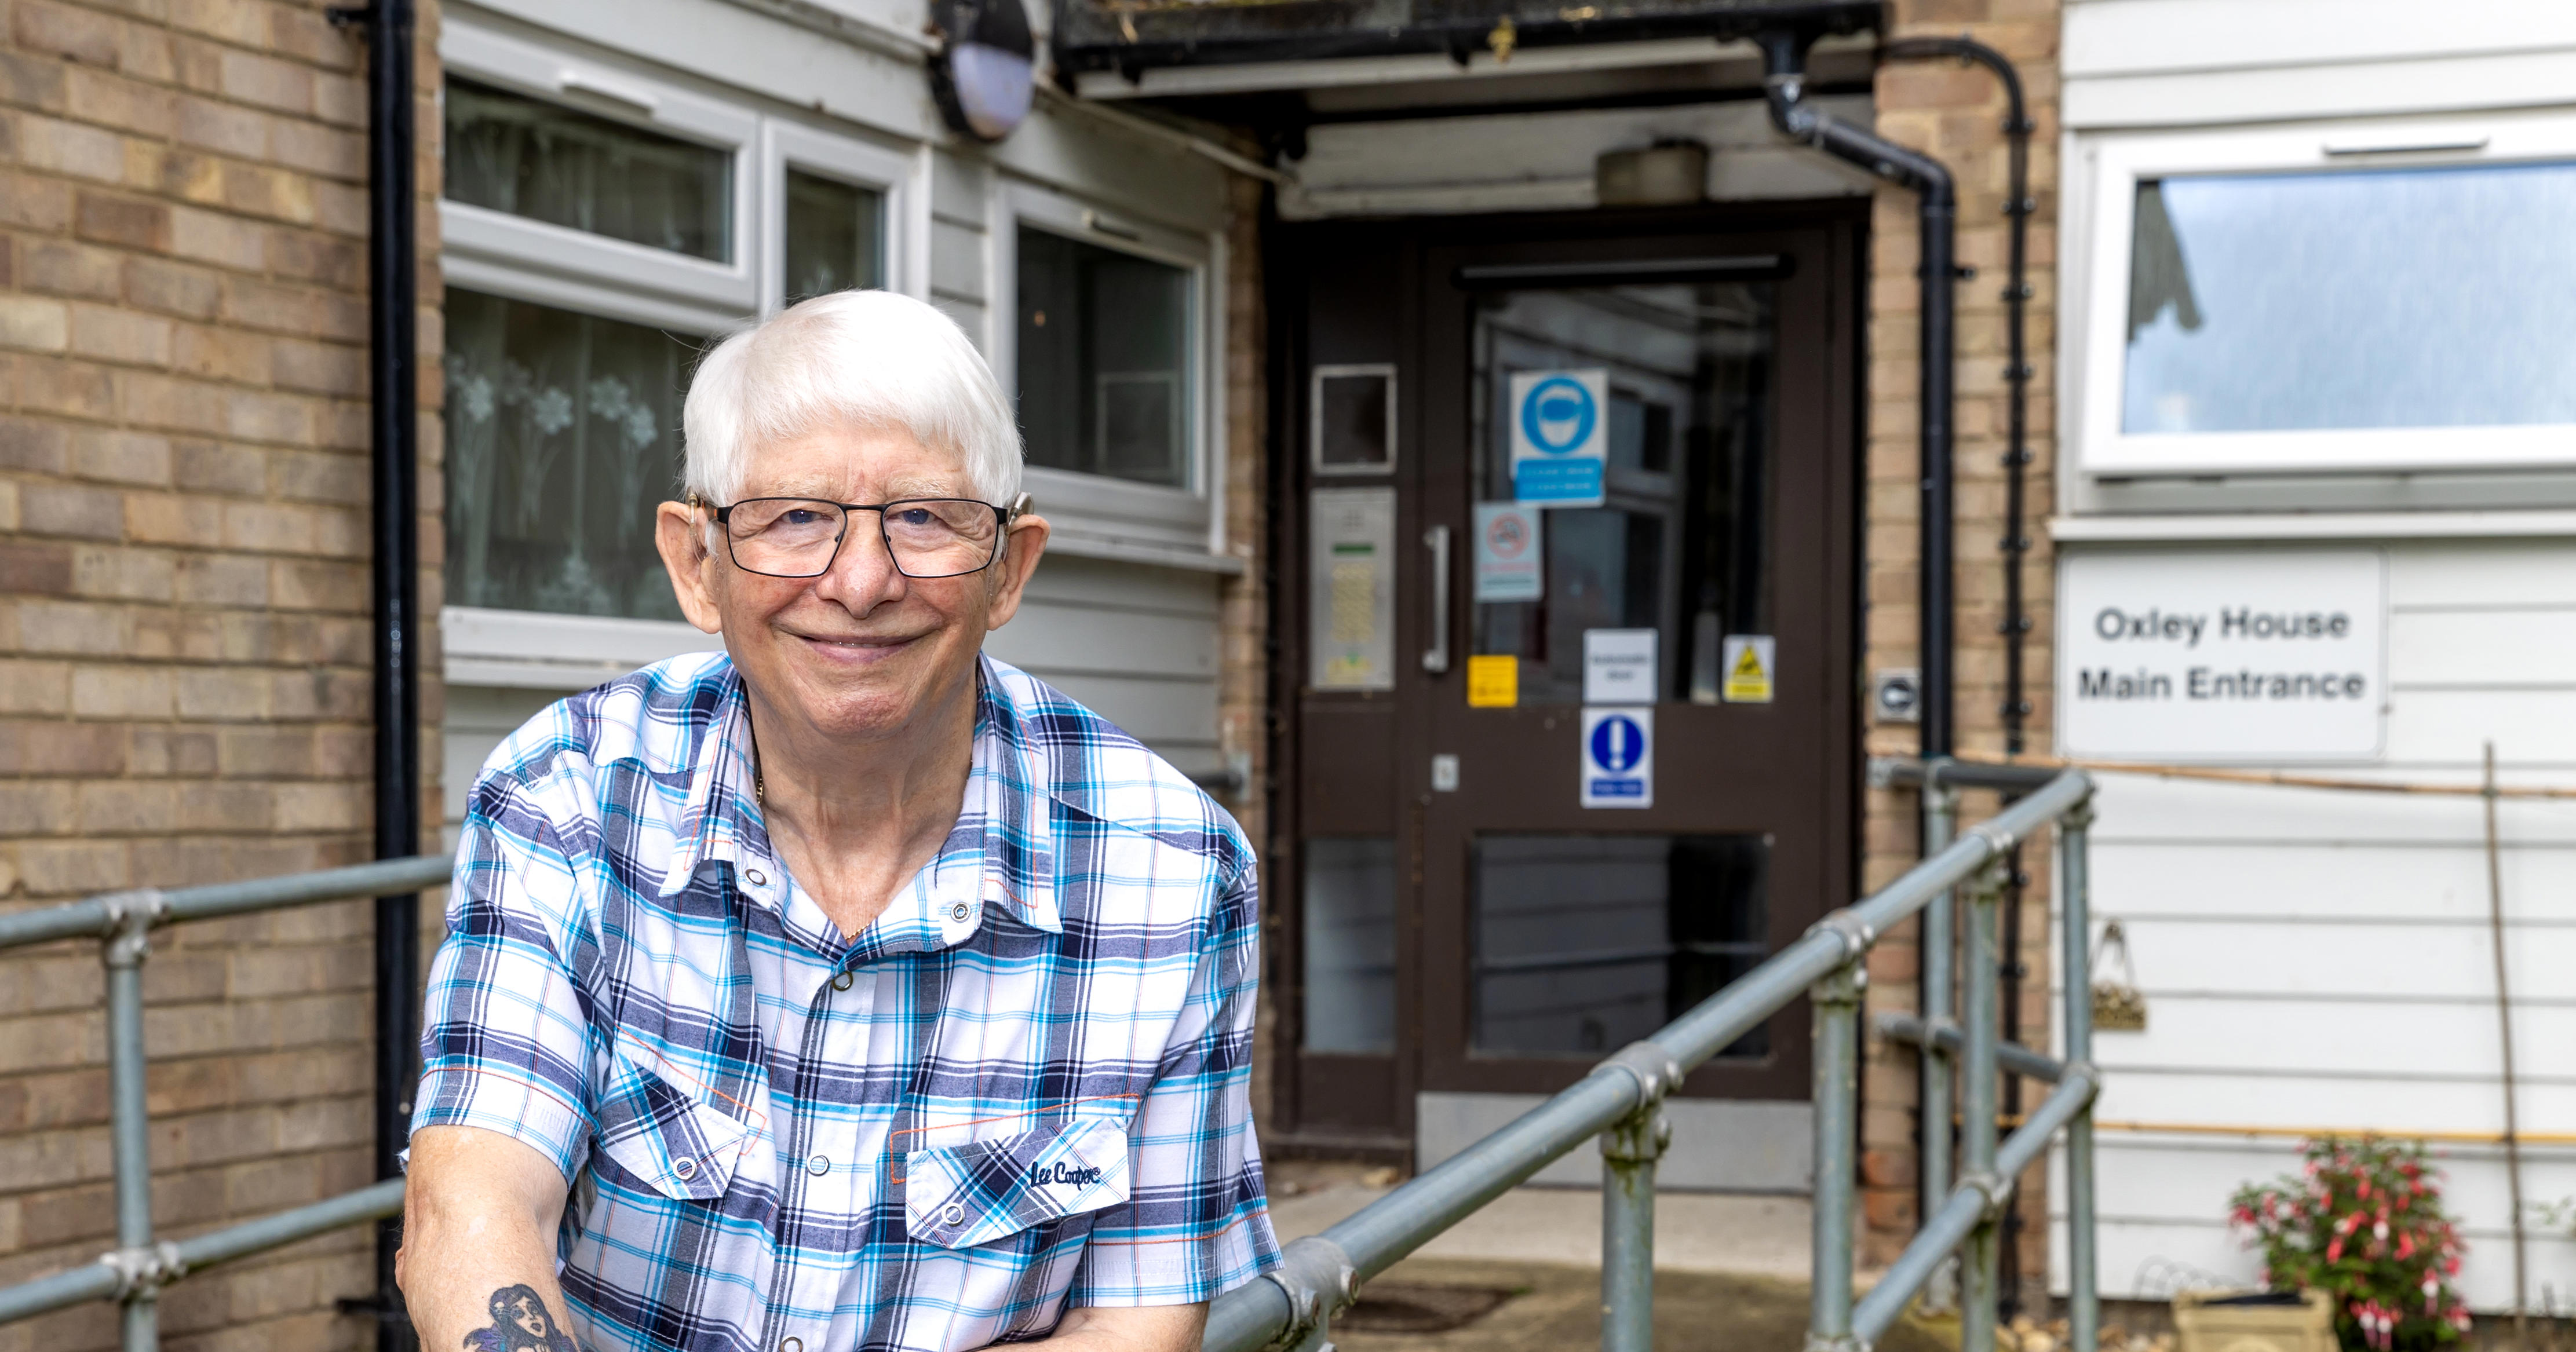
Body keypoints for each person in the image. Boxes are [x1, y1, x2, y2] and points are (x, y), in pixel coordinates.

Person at [396, 290, 1278, 1352]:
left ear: (1010, 566)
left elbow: (1138, 1318)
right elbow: (475, 1196)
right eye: (794, 518)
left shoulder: (1173, 867)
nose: (859, 583)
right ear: (695, 562)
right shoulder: (568, 793)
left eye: (923, 517)